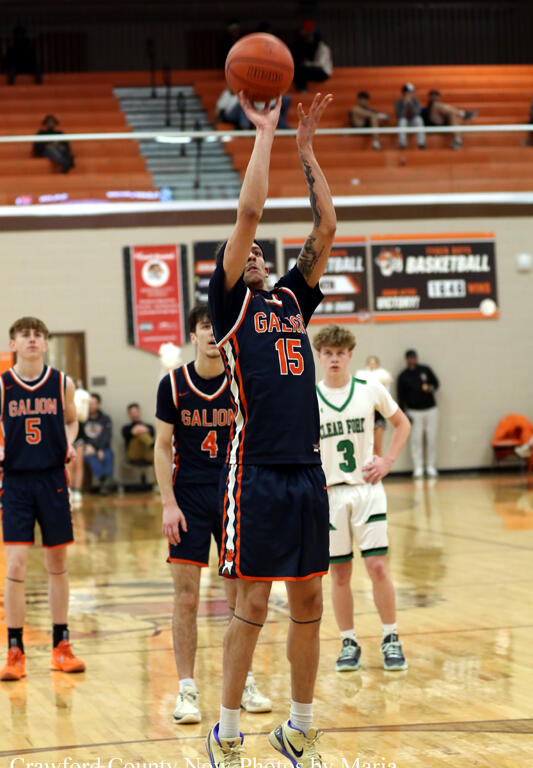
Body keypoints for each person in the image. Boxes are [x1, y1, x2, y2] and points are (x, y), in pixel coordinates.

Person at [205, 90, 336, 768]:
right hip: (253, 470)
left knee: (310, 596)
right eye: (244, 252)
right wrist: (263, 134)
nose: (254, 252)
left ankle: (300, 728)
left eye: (260, 252)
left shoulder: (289, 299)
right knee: (252, 602)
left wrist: (305, 151)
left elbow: (326, 227)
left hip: (306, 470)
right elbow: (249, 211)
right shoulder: (229, 308)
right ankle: (226, 733)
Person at [154, 303, 272, 724]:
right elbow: (161, 447)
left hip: (233, 493)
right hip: (187, 497)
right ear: (193, 336)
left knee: (239, 597)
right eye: (204, 327)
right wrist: (168, 503)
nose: (211, 334)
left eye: (216, 327)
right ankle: (186, 689)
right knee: (186, 597)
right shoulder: (172, 384)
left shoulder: (243, 381)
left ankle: (245, 682)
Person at [314, 325, 410, 673]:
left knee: (378, 566)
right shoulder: (310, 397)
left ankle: (390, 637)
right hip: (330, 494)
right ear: (319, 356)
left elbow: (402, 424)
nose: (334, 359)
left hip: (366, 489)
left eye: (340, 353)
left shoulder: (369, 388)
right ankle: (348, 641)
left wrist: (388, 461)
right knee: (340, 573)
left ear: (350, 355)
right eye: (328, 353)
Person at [0, 316, 85, 681]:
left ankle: (60, 645)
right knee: (16, 565)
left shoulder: (62, 383)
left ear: (46, 343)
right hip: (16, 481)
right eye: (25, 335)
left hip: (52, 479)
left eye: (38, 335)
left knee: (57, 564)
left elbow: (71, 420)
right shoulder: (3, 385)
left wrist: (69, 441)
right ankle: (15, 650)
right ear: (13, 344)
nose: (32, 339)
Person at [397, 349, 440, 478]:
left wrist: (430, 388)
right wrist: (404, 415)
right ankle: (418, 467)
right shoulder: (403, 376)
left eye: (413, 357)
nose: (412, 360)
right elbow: (400, 397)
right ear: (406, 359)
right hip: (414, 412)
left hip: (430, 409)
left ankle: (430, 466)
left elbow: (436, 384)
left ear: (416, 358)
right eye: (409, 358)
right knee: (416, 440)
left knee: (431, 438)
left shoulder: (425, 370)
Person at [355, 355, 393, 456]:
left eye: (374, 363)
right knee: (366, 447)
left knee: (377, 447)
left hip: (378, 412)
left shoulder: (383, 377)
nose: (372, 365)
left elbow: (385, 395)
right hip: (366, 412)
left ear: (377, 364)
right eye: (370, 363)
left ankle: (379, 465)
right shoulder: (361, 376)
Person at [82, 393, 114, 493]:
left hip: (103, 447)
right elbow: (81, 436)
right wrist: (88, 447)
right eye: (89, 403)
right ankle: (103, 479)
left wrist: (100, 449)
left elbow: (107, 435)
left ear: (98, 405)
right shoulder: (83, 419)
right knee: (91, 457)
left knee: (108, 455)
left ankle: (106, 482)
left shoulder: (105, 419)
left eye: (93, 403)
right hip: (88, 449)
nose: (91, 406)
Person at [216, 88, 291, 130]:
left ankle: (246, 127)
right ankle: (245, 127)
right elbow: (220, 108)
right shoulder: (227, 94)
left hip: (246, 112)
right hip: (230, 115)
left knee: (286, 99)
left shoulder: (244, 93)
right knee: (241, 106)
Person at [292, 20, 333, 93]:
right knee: (298, 71)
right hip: (315, 69)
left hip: (324, 72)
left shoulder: (323, 48)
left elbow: (320, 64)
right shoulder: (310, 47)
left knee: (302, 70)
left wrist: (307, 64)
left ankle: (303, 90)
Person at [394, 83, 425, 150]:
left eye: (411, 92)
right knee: (402, 121)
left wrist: (411, 104)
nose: (411, 94)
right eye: (408, 92)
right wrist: (404, 104)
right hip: (404, 122)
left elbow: (417, 113)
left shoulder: (416, 101)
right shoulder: (398, 102)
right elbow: (399, 115)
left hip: (413, 121)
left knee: (419, 119)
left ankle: (421, 143)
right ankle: (403, 144)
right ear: (404, 93)